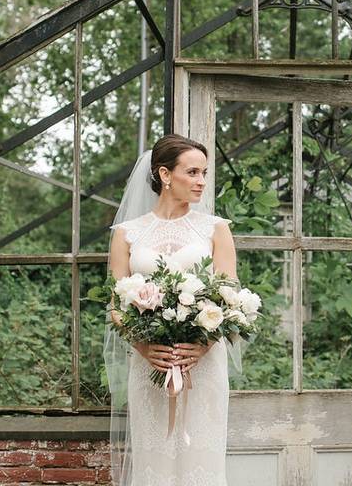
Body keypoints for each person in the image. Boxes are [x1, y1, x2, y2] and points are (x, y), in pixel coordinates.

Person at [104, 134, 237, 486]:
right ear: (165, 175)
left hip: (203, 366)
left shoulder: (216, 229)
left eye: (205, 173)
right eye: (192, 172)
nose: (201, 182)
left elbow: (229, 296)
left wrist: (202, 345)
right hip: (150, 362)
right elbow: (117, 302)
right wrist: (144, 347)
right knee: (154, 460)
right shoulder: (127, 234)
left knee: (202, 460)